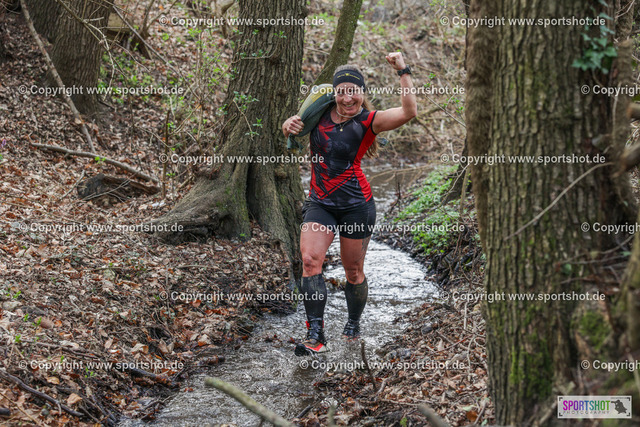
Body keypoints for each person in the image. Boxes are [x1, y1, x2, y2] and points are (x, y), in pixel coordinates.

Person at [282, 52, 417, 355]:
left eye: (353, 91)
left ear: (361, 92)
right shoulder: (318, 112)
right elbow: (294, 128)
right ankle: (315, 335)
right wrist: (287, 125)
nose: (347, 98)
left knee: (353, 272)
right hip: (320, 202)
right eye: (341, 91)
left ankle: (353, 324)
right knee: (310, 261)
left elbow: (409, 112)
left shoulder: (369, 121)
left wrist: (403, 70)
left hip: (357, 206)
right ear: (334, 93)